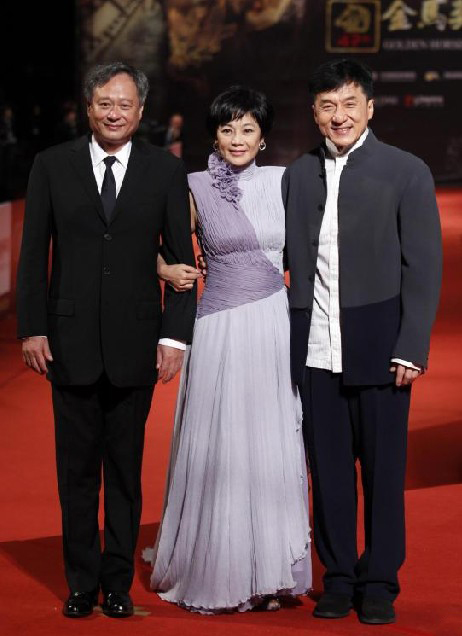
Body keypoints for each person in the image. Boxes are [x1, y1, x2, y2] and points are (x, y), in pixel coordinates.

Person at [16, 62, 197, 619]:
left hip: (137, 343)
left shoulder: (165, 172)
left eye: (124, 104)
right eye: (104, 103)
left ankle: (116, 583)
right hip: (67, 343)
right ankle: (80, 583)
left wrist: (174, 337)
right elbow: (32, 255)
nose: (114, 112)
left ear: (140, 112)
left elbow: (181, 260)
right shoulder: (52, 165)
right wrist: (33, 325)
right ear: (88, 108)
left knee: (124, 470)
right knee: (75, 474)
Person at [283, 59, 442, 625]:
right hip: (316, 350)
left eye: (350, 104)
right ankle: (339, 576)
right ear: (314, 113)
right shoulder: (297, 174)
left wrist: (412, 345)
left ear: (370, 108)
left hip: (382, 349)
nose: (339, 115)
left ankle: (379, 581)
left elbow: (423, 266)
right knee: (326, 473)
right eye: (328, 105)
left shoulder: (406, 171)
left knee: (381, 474)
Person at [145, 86, 312, 613]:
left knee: (269, 438)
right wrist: (164, 268)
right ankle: (216, 565)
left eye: (247, 130)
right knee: (221, 441)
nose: (237, 139)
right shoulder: (193, 185)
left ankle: (271, 570)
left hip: (272, 324)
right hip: (217, 327)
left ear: (263, 138)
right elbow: (136, 240)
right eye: (227, 129)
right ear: (213, 136)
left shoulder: (284, 182)